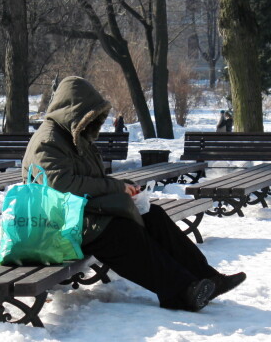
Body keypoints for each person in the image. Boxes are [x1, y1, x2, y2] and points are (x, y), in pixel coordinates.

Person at [22, 76, 246, 312]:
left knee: (153, 216)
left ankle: (207, 278)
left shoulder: (74, 136)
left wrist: (124, 186)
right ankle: (181, 291)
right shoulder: (48, 141)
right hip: (52, 225)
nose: (93, 123)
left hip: (79, 214)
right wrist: (116, 188)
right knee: (119, 231)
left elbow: (92, 180)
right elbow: (60, 185)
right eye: (89, 116)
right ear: (73, 111)